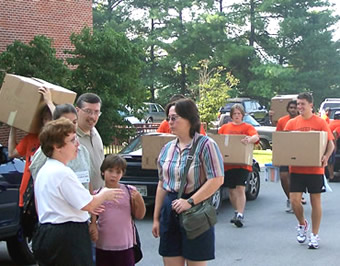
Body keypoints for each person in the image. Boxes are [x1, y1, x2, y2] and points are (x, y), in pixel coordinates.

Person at [32, 118, 124, 266]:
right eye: (72, 140)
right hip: (66, 236)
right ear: (57, 146)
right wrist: (105, 194)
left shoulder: (47, 169)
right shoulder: (62, 173)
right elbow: (87, 204)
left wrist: (93, 203)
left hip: (49, 232)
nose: (77, 144)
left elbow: (72, 202)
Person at [152, 98, 224, 266]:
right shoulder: (167, 149)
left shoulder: (206, 145)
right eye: (168, 118)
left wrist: (190, 202)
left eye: (175, 117)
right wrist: (156, 218)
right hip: (170, 211)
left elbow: (217, 179)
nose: (170, 122)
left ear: (190, 119)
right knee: (170, 259)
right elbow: (162, 184)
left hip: (196, 211)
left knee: (196, 261)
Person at [284, 92, 334, 249]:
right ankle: (302, 224)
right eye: (298, 104)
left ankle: (314, 234)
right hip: (297, 168)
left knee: (315, 202)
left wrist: (326, 156)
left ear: (311, 105)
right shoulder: (292, 124)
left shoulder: (320, 122)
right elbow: (285, 143)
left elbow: (330, 144)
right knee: (294, 201)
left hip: (315, 169)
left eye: (302, 104)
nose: (299, 107)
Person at [89, 154, 146, 266]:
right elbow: (93, 217)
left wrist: (139, 200)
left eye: (118, 172)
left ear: (122, 174)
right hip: (102, 246)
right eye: (110, 171)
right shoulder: (97, 194)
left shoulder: (129, 192)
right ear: (103, 172)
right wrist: (93, 225)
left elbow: (139, 215)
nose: (114, 175)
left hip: (125, 246)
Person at [8, 87, 54, 209]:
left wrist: (49, 102)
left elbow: (61, 123)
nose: (48, 121)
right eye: (45, 118)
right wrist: (13, 127)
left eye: (50, 118)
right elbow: (12, 153)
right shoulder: (31, 138)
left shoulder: (57, 140)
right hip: (27, 193)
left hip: (46, 193)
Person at [30, 104, 91, 190]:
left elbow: (88, 183)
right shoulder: (44, 152)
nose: (72, 126)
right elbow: (38, 185)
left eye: (74, 122)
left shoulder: (83, 151)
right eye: (67, 122)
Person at [218, 104, 259, 227]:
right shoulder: (225, 128)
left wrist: (249, 139)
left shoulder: (247, 127)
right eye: (234, 114)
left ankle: (240, 214)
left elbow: (255, 137)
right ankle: (236, 211)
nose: (237, 116)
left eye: (239, 114)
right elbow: (219, 140)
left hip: (242, 164)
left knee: (240, 188)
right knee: (231, 189)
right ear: (231, 115)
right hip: (229, 164)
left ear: (242, 115)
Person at [76, 93, 105, 191]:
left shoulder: (95, 133)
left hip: (100, 198)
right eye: (88, 111)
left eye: (96, 112)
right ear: (77, 111)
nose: (92, 116)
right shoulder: (70, 138)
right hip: (81, 200)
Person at [275, 100, 298, 212]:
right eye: (291, 108)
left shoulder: (302, 120)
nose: (293, 110)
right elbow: (278, 138)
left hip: (299, 153)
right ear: (288, 109)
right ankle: (290, 198)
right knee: (284, 176)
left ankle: (296, 199)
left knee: (296, 178)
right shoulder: (282, 121)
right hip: (285, 152)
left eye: (295, 107)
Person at [327, 112, 340, 181]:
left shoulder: (332, 122)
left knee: (329, 160)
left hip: (326, 141)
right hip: (330, 142)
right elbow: (335, 132)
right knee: (331, 160)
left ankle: (330, 175)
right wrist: (335, 145)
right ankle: (332, 176)